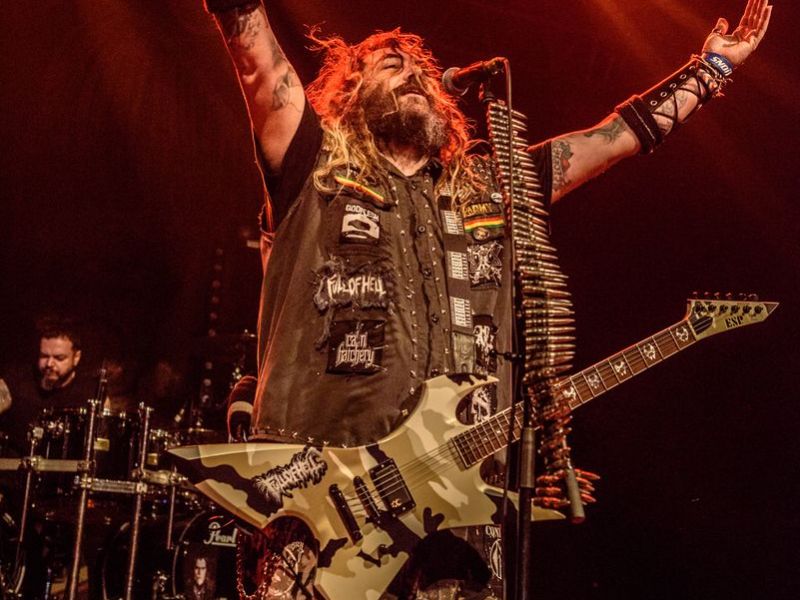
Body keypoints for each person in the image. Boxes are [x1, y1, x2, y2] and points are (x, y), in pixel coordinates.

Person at [200, 0, 771, 597]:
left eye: (421, 73)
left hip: (456, 527)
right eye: (392, 66)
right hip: (319, 511)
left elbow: (612, 139)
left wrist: (712, 69)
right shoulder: (312, 163)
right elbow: (258, 62)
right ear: (350, 92)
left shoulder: (490, 187)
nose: (413, 76)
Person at [0, 316, 97, 456]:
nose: (49, 364)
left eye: (59, 358)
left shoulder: (91, 394)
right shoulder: (16, 381)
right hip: (13, 467)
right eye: (44, 356)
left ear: (76, 357)